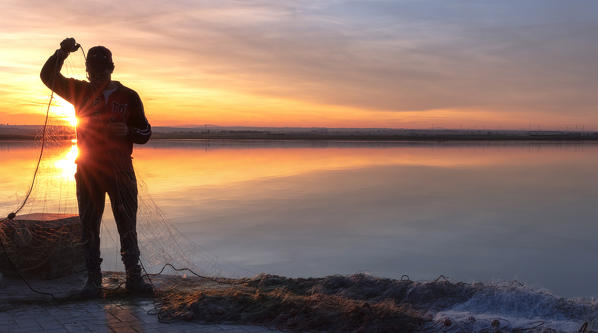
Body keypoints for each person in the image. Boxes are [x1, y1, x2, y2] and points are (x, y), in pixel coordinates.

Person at [40, 37, 153, 297]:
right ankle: (93, 281)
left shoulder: (129, 96)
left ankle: (134, 278)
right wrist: (62, 52)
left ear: (112, 69)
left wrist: (128, 131)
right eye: (92, 69)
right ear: (87, 70)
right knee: (89, 227)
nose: (97, 74)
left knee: (127, 226)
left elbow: (146, 132)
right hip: (88, 173)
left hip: (121, 172)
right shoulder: (79, 91)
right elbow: (47, 76)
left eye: (102, 69)